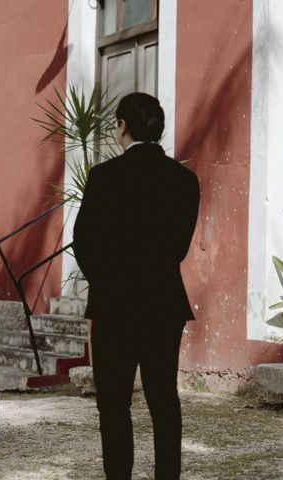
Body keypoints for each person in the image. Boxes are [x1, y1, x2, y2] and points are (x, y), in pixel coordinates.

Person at [73, 92, 200, 480]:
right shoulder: (184, 179)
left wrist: (108, 280)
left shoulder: (104, 177)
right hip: (163, 301)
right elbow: (179, 246)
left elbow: (83, 242)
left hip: (114, 304)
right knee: (164, 398)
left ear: (122, 126)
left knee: (113, 402)